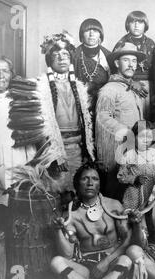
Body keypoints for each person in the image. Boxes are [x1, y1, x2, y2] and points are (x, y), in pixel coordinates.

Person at [50, 162, 133, 279]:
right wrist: (59, 230)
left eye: (95, 179)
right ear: (77, 184)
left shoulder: (113, 205)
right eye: (84, 179)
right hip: (86, 266)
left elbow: (127, 239)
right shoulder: (71, 213)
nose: (90, 183)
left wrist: (106, 262)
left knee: (126, 259)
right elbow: (68, 254)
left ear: (100, 184)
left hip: (112, 261)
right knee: (56, 262)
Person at [0, 56, 35, 231]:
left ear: (12, 74)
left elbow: (30, 136)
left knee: (17, 217)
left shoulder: (21, 98)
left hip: (17, 161)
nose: (0, 75)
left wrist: (31, 168)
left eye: (5, 70)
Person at [38, 31, 95, 191]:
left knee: (77, 192)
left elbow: (87, 125)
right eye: (56, 54)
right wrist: (53, 155)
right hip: (55, 149)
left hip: (77, 148)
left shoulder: (79, 87)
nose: (62, 58)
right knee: (56, 193)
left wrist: (85, 151)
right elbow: (41, 128)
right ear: (49, 59)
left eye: (65, 54)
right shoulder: (41, 88)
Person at [95, 42, 147, 200]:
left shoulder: (136, 89)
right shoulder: (109, 89)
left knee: (133, 194)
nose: (131, 65)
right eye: (126, 60)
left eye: (134, 61)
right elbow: (102, 118)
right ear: (117, 63)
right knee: (115, 194)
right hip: (117, 152)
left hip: (135, 151)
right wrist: (128, 133)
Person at [113, 11, 155, 120]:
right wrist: (131, 82)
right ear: (128, 25)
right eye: (133, 22)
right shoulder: (121, 44)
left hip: (150, 87)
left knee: (150, 118)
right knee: (134, 117)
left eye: (140, 22)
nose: (136, 25)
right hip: (129, 85)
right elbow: (115, 70)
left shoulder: (151, 43)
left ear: (145, 25)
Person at [73, 18, 111, 127]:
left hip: (103, 102)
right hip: (80, 103)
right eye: (87, 30)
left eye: (95, 30)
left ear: (100, 35)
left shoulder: (108, 56)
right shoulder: (73, 55)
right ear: (81, 35)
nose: (91, 34)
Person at [116, 120, 155, 211]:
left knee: (148, 216)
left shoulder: (154, 153)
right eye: (142, 136)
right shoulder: (129, 155)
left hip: (150, 194)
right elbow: (120, 176)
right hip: (134, 195)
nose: (146, 140)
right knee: (133, 217)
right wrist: (134, 179)